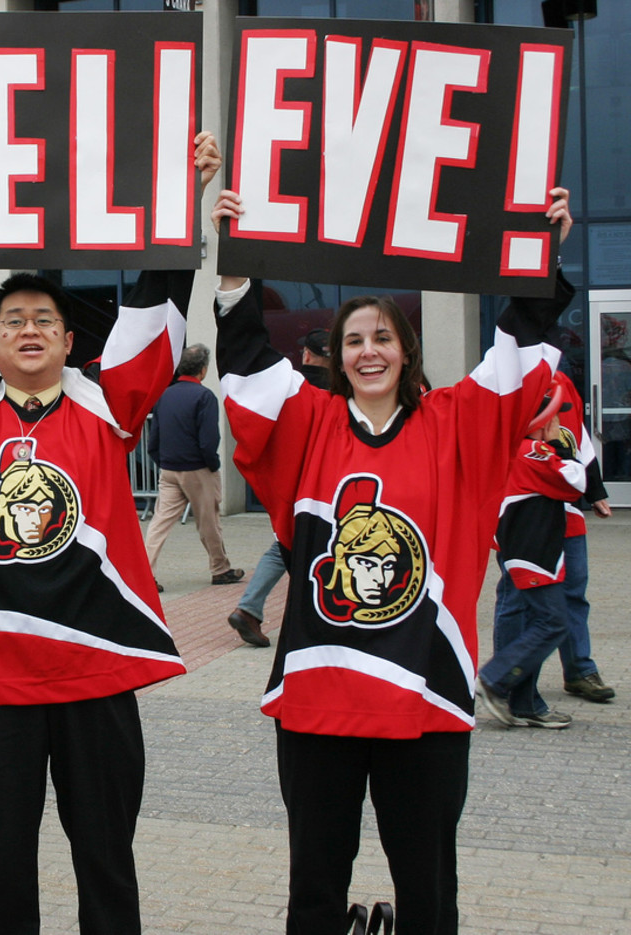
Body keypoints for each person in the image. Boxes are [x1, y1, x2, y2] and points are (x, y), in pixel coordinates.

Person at [0, 130, 221, 935]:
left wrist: (186, 199)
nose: (29, 329)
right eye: (13, 320)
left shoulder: (106, 403)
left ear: (67, 340)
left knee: (105, 857)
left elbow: (156, 306)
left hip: (95, 676)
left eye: (45, 321)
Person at [211, 185, 574, 934]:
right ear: (335, 356)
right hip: (318, 700)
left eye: (383, 337)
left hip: (427, 695)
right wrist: (233, 261)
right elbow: (247, 361)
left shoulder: (455, 424)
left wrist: (544, 251)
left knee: (428, 887)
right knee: (314, 883)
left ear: (406, 350)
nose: (368, 350)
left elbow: (513, 357)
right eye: (353, 340)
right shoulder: (308, 420)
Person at [491, 372, 616, 706]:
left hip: (564, 513)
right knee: (519, 602)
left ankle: (579, 671)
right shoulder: (502, 381)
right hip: (524, 521)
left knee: (572, 593)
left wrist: (596, 490)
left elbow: (580, 439)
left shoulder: (560, 380)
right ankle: (503, 680)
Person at [477, 375, 586, 729]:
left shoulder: (514, 449)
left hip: (525, 548)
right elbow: (574, 483)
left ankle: (525, 703)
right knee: (553, 622)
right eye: (554, 418)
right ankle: (495, 679)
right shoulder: (532, 451)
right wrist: (564, 449)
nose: (558, 424)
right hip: (534, 551)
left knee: (532, 620)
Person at [227, 326, 332, 648]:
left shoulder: (289, 390)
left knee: (285, 546)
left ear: (308, 355)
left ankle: (250, 609)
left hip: (293, 488)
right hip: (330, 491)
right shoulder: (346, 394)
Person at [142, 343, 244, 590]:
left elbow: (153, 438)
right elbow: (209, 440)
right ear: (204, 370)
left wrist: (162, 460)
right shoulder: (204, 396)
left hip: (168, 469)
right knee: (209, 522)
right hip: (197, 469)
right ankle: (220, 569)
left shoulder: (165, 395)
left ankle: (144, 573)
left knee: (159, 523)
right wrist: (213, 465)